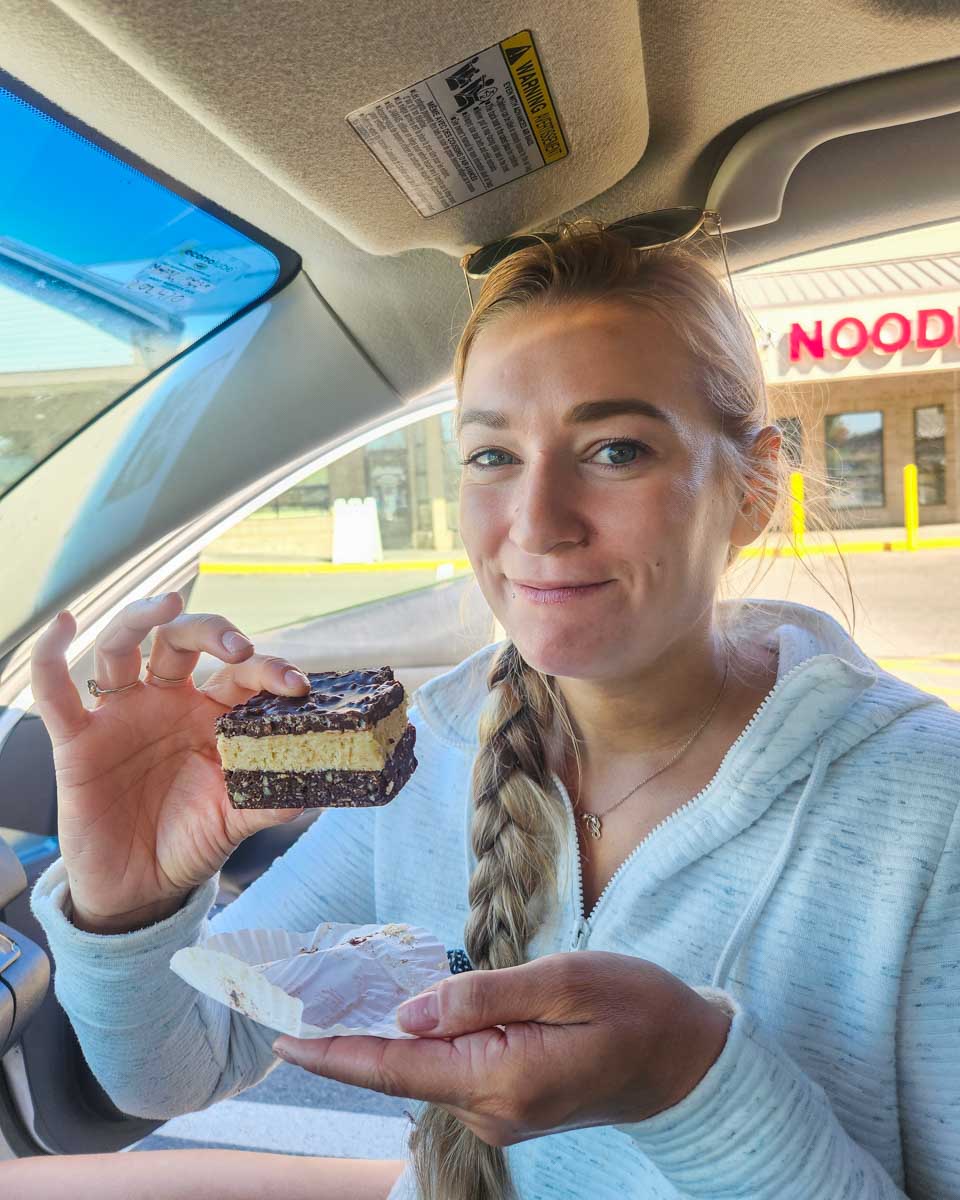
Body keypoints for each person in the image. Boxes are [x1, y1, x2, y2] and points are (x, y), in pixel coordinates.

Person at [11, 219, 960, 1200]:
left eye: (616, 448)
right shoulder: (432, 747)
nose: (537, 523)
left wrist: (688, 1077)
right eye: (492, 456)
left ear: (754, 484)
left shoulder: (933, 806)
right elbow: (173, 1067)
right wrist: (129, 901)